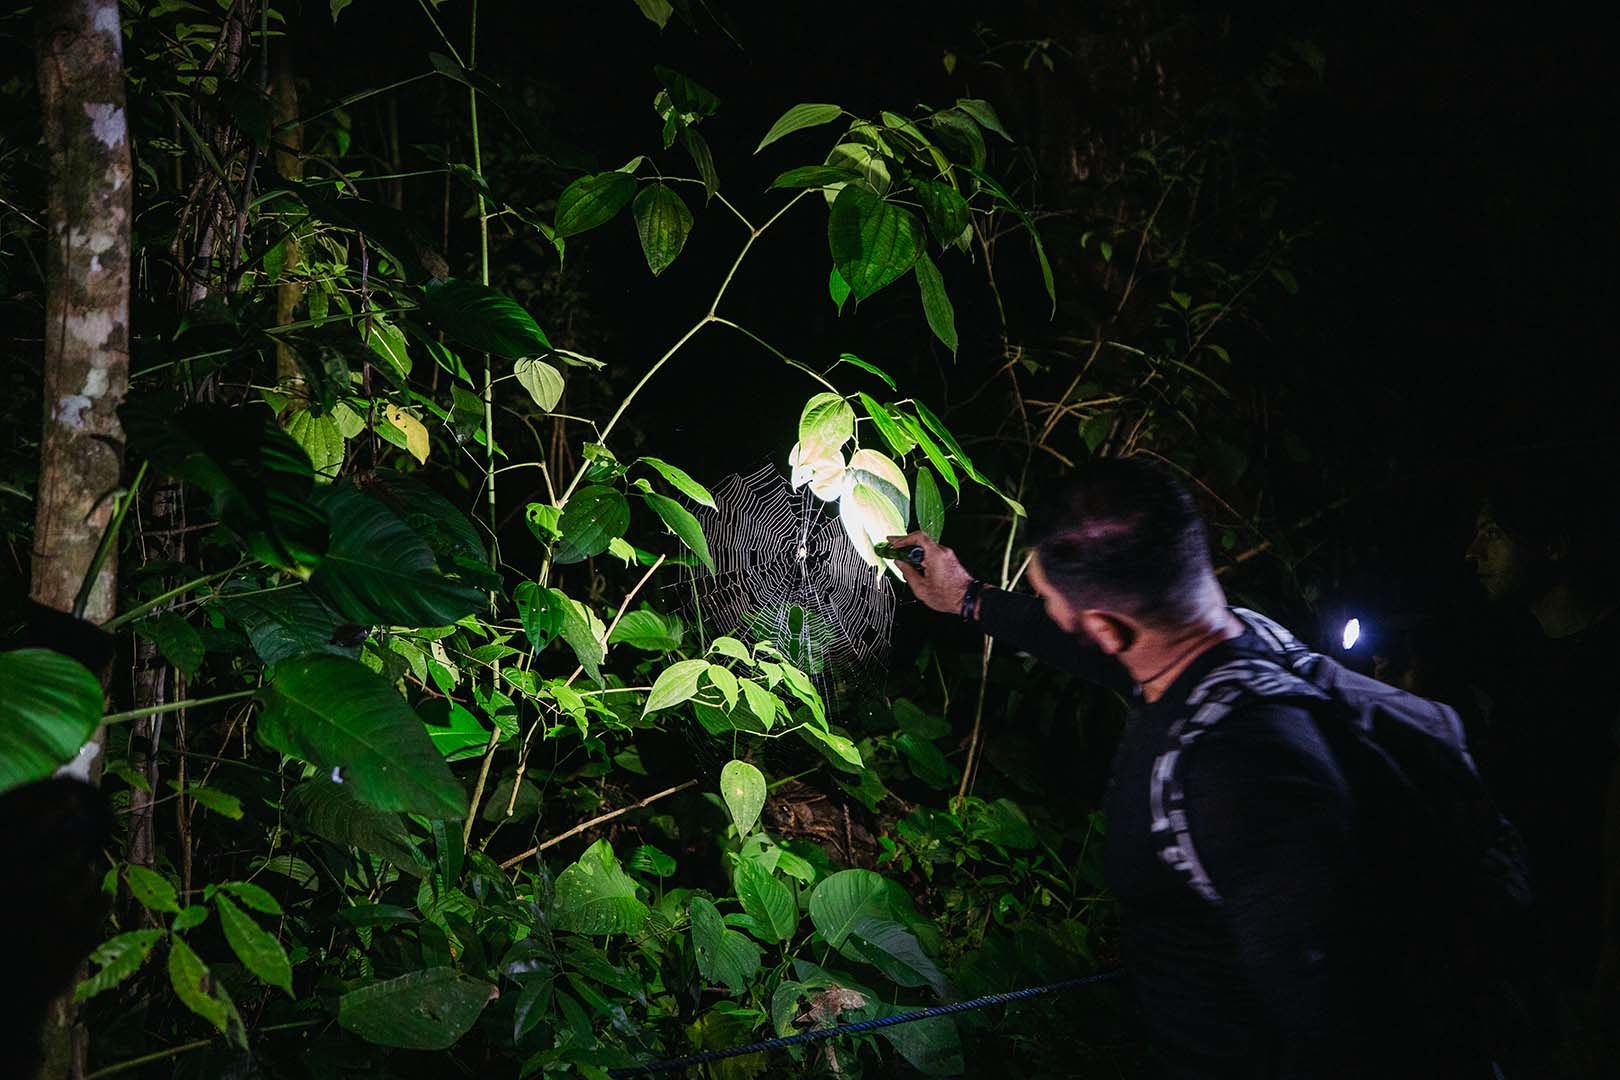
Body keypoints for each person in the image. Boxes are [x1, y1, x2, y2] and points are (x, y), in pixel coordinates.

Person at [888, 456, 1495, 1078]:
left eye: (1052, 600)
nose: (1054, 614)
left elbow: (1336, 1026)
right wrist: (966, 597)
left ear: (1106, 626)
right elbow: (1095, 648)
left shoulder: (1243, 771)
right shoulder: (1237, 640)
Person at [1464, 466, 1620, 1076]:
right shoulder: (1516, 663)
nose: (1472, 553)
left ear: (1553, 544)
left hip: (1588, 972)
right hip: (1532, 962)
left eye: (1493, 533)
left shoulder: (1606, 662)